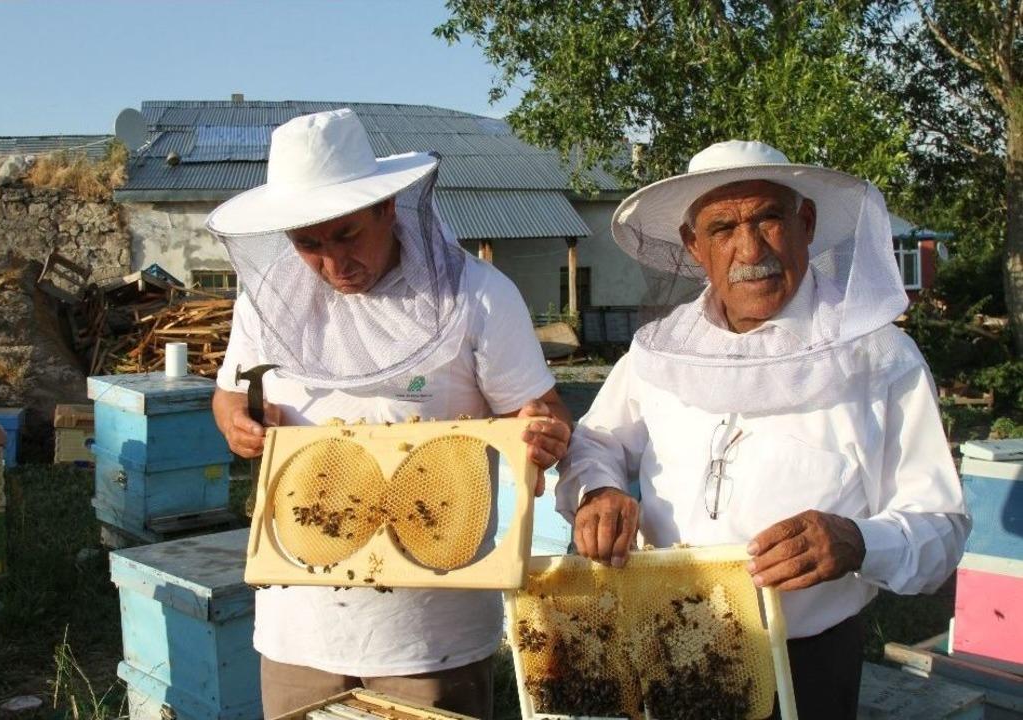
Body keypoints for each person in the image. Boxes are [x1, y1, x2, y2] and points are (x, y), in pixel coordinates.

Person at [556, 140, 969, 719]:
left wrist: (858, 542)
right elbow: (595, 440)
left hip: (808, 665)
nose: (749, 248)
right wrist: (598, 490)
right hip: (661, 640)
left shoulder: (880, 359)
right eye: (723, 228)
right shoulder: (661, 350)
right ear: (693, 246)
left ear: (805, 222)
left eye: (768, 218)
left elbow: (942, 527)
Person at [207, 109, 572, 719]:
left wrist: (543, 431)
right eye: (308, 245)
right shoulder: (266, 302)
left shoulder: (477, 294)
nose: (331, 263)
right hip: (300, 620)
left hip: (431, 630)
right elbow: (228, 391)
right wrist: (234, 419)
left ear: (387, 208)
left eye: (347, 235)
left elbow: (541, 409)